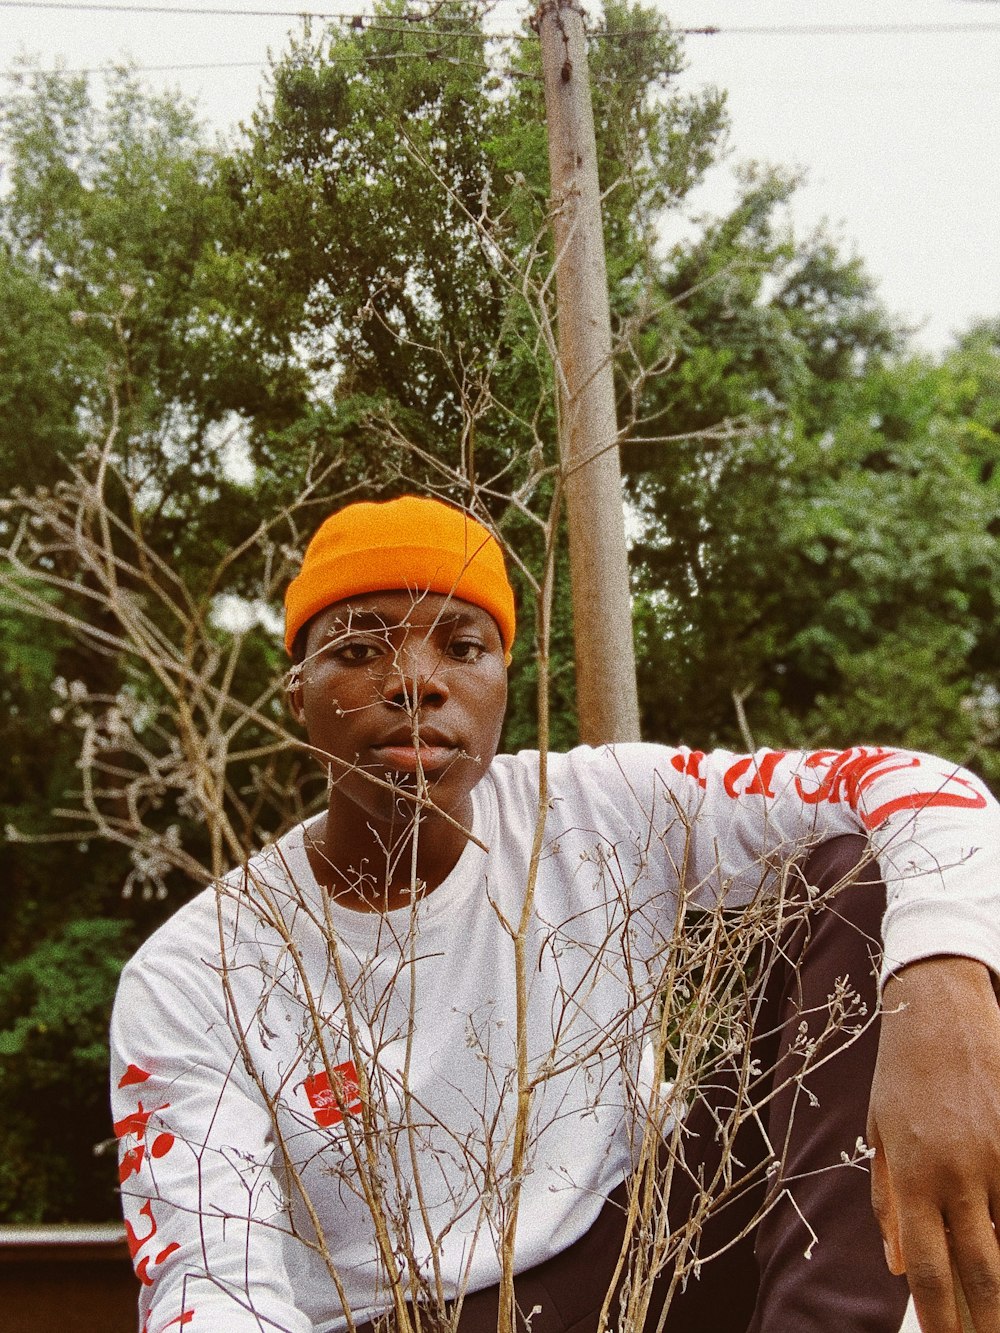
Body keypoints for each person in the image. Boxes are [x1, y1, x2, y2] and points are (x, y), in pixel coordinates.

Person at [111, 495, 1000, 1333]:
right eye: (359, 649)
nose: (415, 680)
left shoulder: (597, 805)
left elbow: (924, 788)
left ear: (504, 680)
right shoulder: (198, 970)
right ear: (295, 691)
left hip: (632, 1258)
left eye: (460, 647)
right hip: (412, 1315)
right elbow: (212, 1288)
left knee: (867, 875)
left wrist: (945, 994)